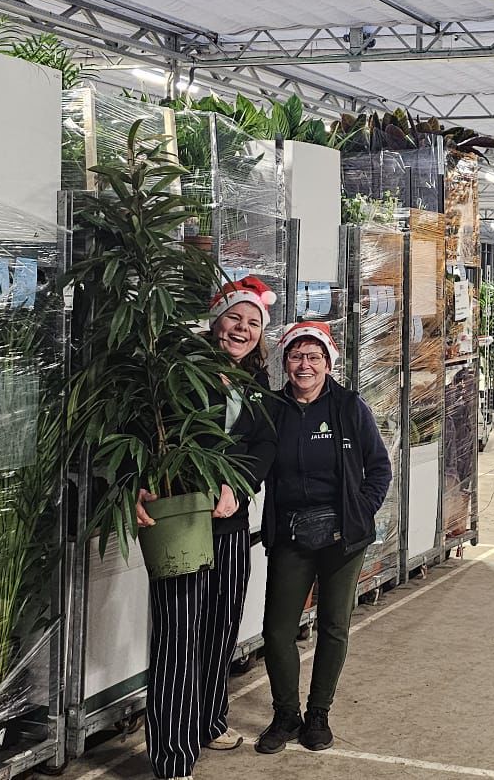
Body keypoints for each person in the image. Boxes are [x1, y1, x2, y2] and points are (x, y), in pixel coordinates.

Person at [139, 277, 279, 780]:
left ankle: (209, 721)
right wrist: (138, 484)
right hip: (182, 519)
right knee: (178, 635)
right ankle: (173, 757)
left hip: (232, 525)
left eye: (253, 323)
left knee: (221, 628)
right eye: (234, 318)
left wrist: (238, 486)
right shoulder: (178, 372)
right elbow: (148, 432)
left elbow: (265, 445)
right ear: (216, 319)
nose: (242, 329)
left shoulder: (257, 383)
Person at [255, 322, 394, 755]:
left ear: (328, 363)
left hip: (343, 537)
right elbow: (252, 461)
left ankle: (318, 714)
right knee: (277, 631)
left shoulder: (349, 407)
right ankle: (286, 715)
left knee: (334, 626)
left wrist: (359, 510)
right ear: (285, 363)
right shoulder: (272, 409)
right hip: (291, 534)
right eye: (297, 356)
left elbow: (379, 467)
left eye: (314, 357)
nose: (305, 365)